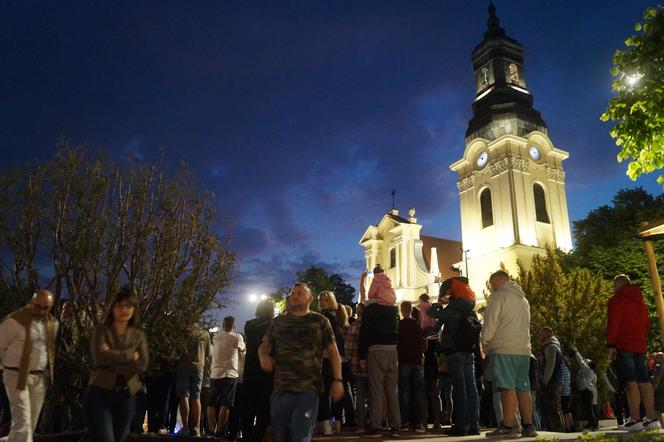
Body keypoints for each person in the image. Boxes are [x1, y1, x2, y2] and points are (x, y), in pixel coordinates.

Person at [258, 283, 343, 442]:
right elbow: (265, 345)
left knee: (300, 435)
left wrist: (338, 379)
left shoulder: (320, 321)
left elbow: (333, 351)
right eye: (292, 293)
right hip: (281, 389)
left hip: (308, 390)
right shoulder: (278, 322)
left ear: (309, 299)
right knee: (281, 436)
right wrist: (264, 357)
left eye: (299, 293)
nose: (294, 296)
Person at [85, 287, 149, 442]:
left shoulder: (138, 335)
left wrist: (111, 355)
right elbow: (99, 359)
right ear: (112, 308)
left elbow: (142, 364)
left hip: (128, 392)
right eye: (120, 305)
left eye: (129, 306)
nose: (124, 310)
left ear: (134, 310)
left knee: (120, 438)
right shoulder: (102, 331)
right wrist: (129, 356)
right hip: (100, 392)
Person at [481, 270, 537, 438]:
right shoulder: (523, 299)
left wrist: (484, 342)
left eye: (491, 285)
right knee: (523, 387)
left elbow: (490, 322)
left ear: (497, 281)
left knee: (507, 387)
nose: (491, 289)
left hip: (504, 347)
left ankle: (508, 425)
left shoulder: (499, 296)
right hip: (523, 349)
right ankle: (528, 425)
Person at [0, 289, 58, 442]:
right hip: (16, 375)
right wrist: (4, 369)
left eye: (45, 307)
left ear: (50, 307)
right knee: (23, 424)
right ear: (30, 302)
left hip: (39, 377)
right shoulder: (13, 321)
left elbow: (47, 349)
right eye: (37, 305)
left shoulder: (53, 324)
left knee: (28, 426)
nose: (40, 310)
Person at [427, 277, 480, 436]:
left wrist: (438, 303)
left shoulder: (450, 310)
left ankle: (460, 425)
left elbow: (432, 316)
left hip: (454, 352)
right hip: (469, 352)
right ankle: (474, 423)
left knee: (460, 388)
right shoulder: (470, 310)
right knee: (472, 387)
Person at [607, 274, 661, 431]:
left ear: (619, 284)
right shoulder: (641, 302)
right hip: (640, 346)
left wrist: (610, 344)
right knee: (644, 381)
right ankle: (651, 418)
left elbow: (613, 323)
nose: (613, 288)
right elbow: (646, 325)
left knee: (630, 382)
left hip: (624, 345)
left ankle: (635, 419)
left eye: (614, 285)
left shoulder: (616, 301)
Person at [242, 298, 275, 442]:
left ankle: (247, 435)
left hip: (250, 368)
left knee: (248, 405)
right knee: (263, 406)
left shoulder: (249, 325)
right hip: (266, 369)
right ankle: (258, 436)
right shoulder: (272, 326)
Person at [316, 291, 348, 435]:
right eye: (320, 299)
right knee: (336, 393)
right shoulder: (338, 316)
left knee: (324, 393)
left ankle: (326, 425)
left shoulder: (325, 317)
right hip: (339, 358)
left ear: (331, 301)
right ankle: (337, 423)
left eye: (325, 300)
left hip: (327, 358)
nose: (322, 302)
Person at [208, 315, 245, 437]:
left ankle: (210, 428)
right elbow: (243, 349)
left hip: (215, 373)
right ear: (233, 326)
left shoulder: (216, 337)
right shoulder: (237, 337)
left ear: (223, 325)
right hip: (230, 374)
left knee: (212, 403)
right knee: (226, 403)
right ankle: (220, 430)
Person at [174, 324, 211, 436]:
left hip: (183, 366)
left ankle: (185, 428)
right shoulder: (204, 333)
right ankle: (196, 428)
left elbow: (176, 350)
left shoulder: (182, 331)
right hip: (198, 367)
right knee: (196, 397)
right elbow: (208, 353)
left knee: (184, 396)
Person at [397, 301, 425, 433]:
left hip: (404, 361)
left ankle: (405, 422)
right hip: (417, 361)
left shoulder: (400, 325)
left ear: (402, 310)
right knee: (417, 393)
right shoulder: (417, 324)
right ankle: (418, 423)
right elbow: (422, 342)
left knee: (404, 393)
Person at [344, 303, 368, 434]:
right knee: (372, 394)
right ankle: (374, 421)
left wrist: (349, 359)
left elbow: (348, 347)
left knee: (359, 395)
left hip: (356, 364)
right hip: (371, 364)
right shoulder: (371, 326)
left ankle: (361, 424)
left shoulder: (354, 326)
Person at [537, 326, 565, 432]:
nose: (539, 336)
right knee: (554, 409)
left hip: (551, 383)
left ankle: (558, 431)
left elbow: (550, 366)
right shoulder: (552, 346)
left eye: (541, 333)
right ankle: (557, 430)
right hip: (554, 382)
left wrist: (544, 382)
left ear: (548, 334)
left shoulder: (551, 347)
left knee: (554, 409)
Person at [570, 346, 598, 430]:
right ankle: (591, 423)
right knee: (588, 409)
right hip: (585, 391)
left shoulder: (587, 369)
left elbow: (581, 361)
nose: (585, 361)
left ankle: (594, 425)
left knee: (589, 409)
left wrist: (576, 352)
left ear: (588, 364)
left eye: (587, 361)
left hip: (587, 391)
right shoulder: (587, 372)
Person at [651, 353, 664, 427]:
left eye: (657, 357)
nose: (655, 359)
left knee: (657, 410)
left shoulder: (659, 367)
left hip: (660, 392)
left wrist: (652, 391)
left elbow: (657, 381)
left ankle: (663, 426)